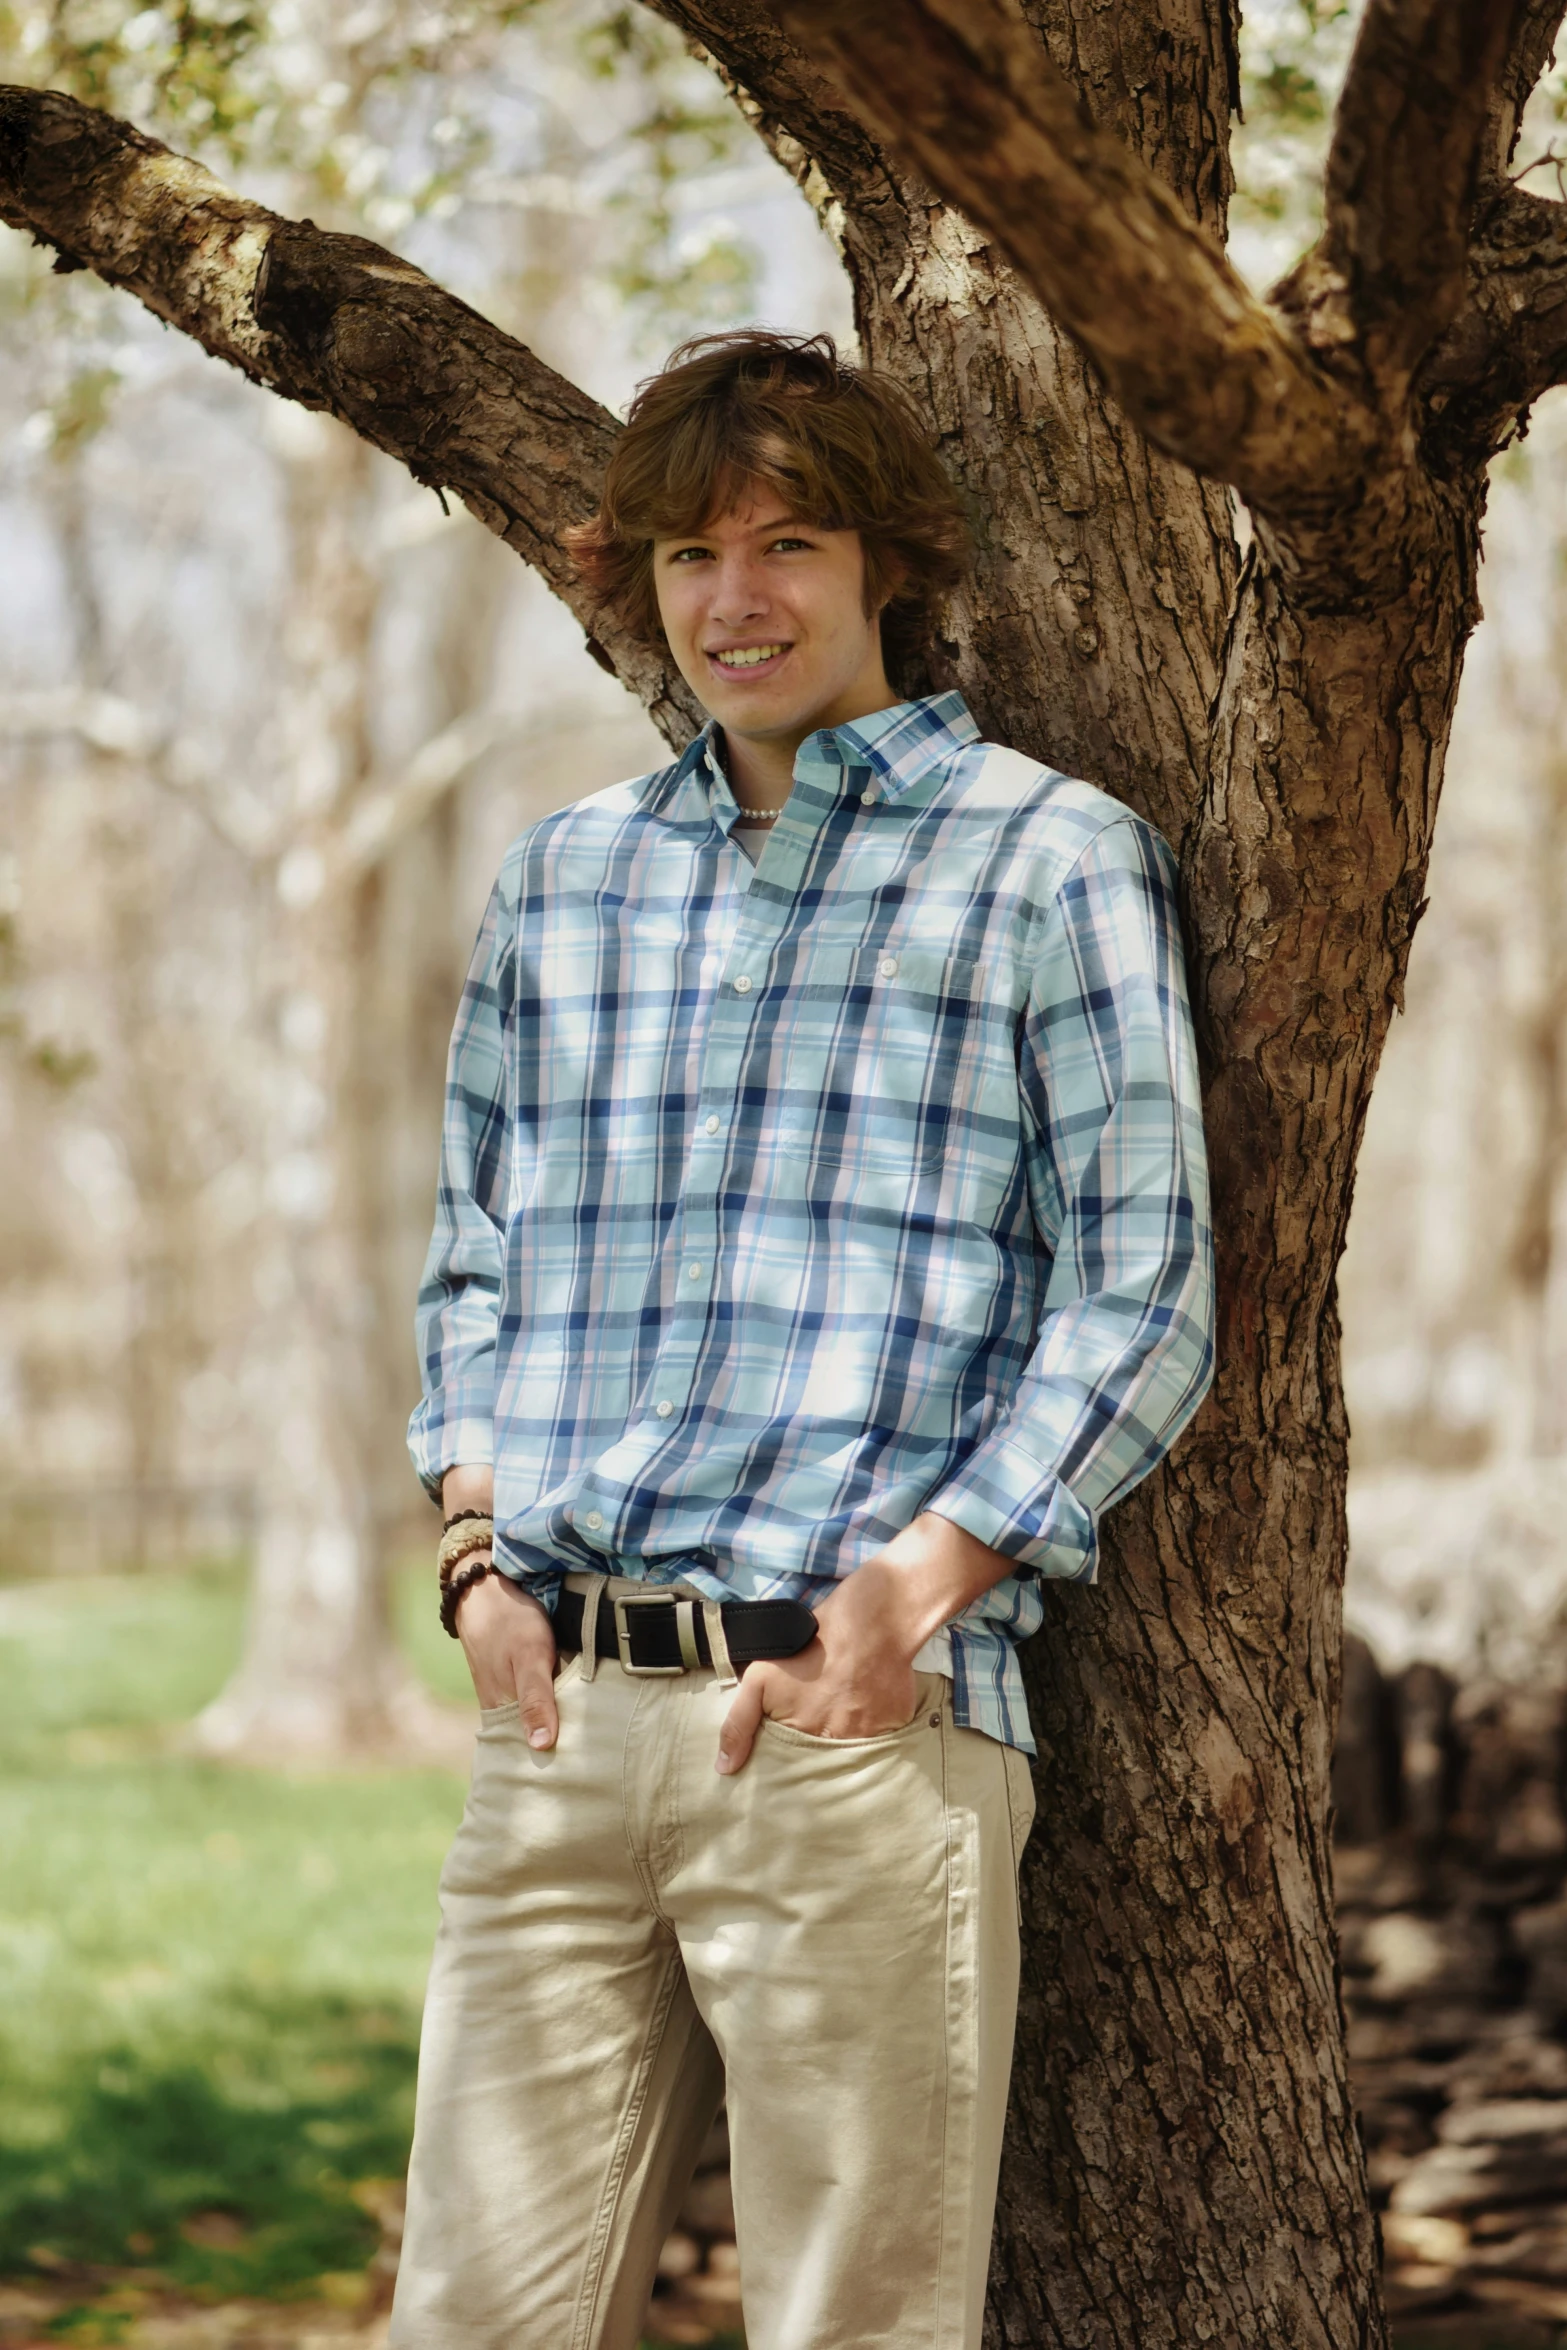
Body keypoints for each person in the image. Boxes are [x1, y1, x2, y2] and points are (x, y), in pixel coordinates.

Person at [390, 330, 1215, 2350]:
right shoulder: (570, 881)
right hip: (559, 1715)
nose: (733, 598)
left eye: (787, 541)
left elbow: (1148, 1279)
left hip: (852, 1731)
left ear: (886, 565)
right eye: (687, 552)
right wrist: (479, 1553)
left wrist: (914, 1595)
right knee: (466, 2321)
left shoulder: (1046, 857)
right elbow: (476, 1254)